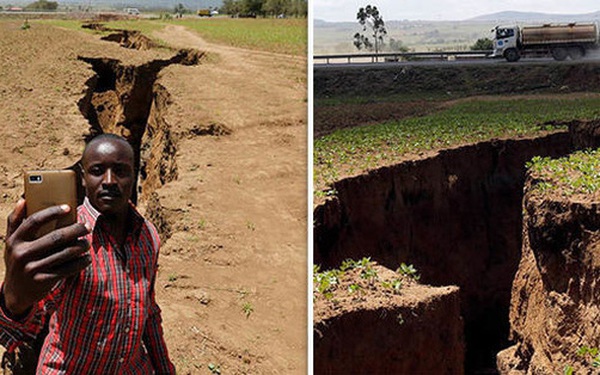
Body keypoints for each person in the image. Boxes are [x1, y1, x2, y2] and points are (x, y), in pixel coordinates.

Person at [0, 133, 175, 374]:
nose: (110, 181)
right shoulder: (70, 237)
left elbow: (149, 312)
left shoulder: (148, 236)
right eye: (97, 170)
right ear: (82, 179)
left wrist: (165, 369)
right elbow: (31, 320)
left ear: (135, 175)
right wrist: (14, 298)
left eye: (121, 171)